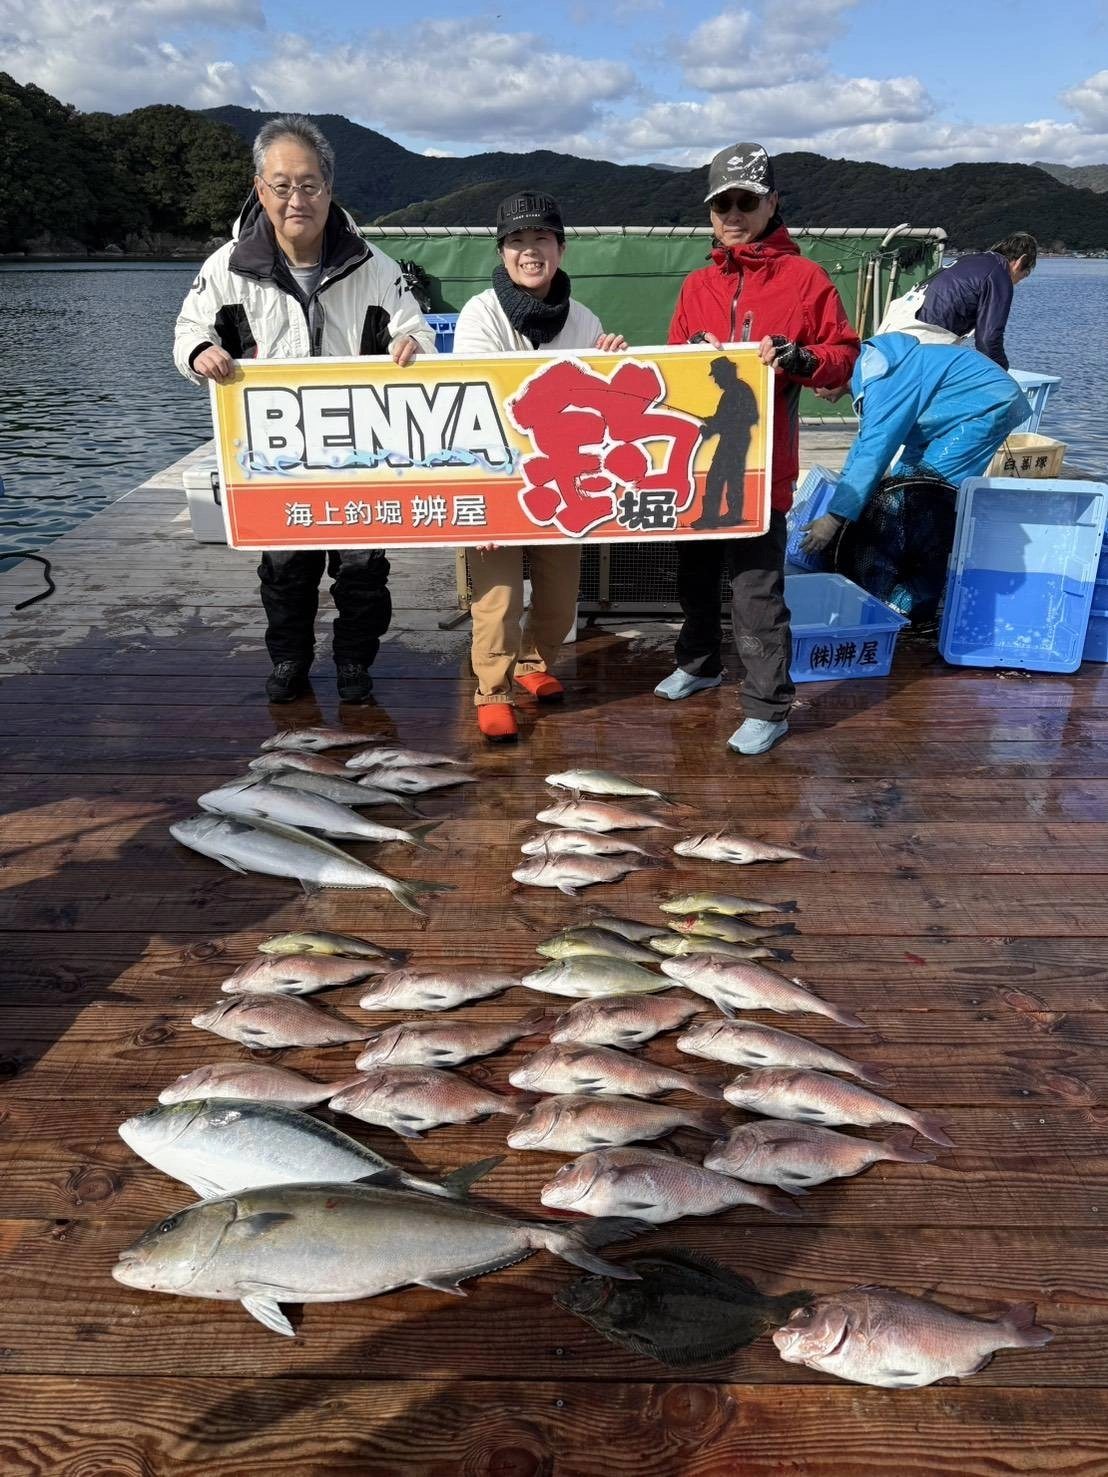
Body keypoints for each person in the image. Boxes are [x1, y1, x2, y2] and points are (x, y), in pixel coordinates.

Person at [173, 114, 436, 704]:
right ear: (261, 190)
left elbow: (418, 330)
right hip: (275, 457)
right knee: (286, 570)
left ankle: (353, 663)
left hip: (362, 454)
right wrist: (200, 352)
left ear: (329, 189)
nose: (297, 198)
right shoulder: (227, 267)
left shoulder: (376, 267)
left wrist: (411, 345)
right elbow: (186, 333)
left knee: (363, 571)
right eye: (282, 184)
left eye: (310, 184)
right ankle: (289, 659)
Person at [657, 142, 860, 755]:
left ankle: (769, 705)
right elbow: (671, 364)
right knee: (691, 575)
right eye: (722, 203)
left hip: (763, 469)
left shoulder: (807, 278)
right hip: (699, 465)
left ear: (773, 203)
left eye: (746, 201)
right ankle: (699, 665)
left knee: (755, 590)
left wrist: (801, 359)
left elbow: (844, 360)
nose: (733, 214)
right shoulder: (696, 283)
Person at [452, 191, 627, 743]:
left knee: (559, 594)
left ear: (561, 247)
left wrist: (610, 362)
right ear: (502, 253)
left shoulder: (584, 317)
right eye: (517, 241)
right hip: (498, 477)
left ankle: (533, 665)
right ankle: (492, 689)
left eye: (542, 239)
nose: (531, 252)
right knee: (498, 599)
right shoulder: (480, 313)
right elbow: (474, 407)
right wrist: (476, 502)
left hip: (562, 478)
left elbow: (597, 397)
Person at [800, 332, 1029, 618]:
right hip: (945, 417)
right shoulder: (871, 376)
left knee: (925, 496)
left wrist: (834, 520)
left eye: (813, 384)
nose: (814, 393)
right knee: (903, 483)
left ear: (833, 374)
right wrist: (841, 499)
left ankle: (914, 604)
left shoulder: (882, 383)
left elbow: (874, 453)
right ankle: (898, 588)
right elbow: (863, 448)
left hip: (984, 407)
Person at [881, 233, 1037, 370]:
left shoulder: (969, 260)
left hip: (887, 337)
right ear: (1020, 261)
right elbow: (988, 340)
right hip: (917, 344)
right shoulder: (999, 275)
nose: (1018, 282)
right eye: (1024, 274)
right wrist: (1003, 373)